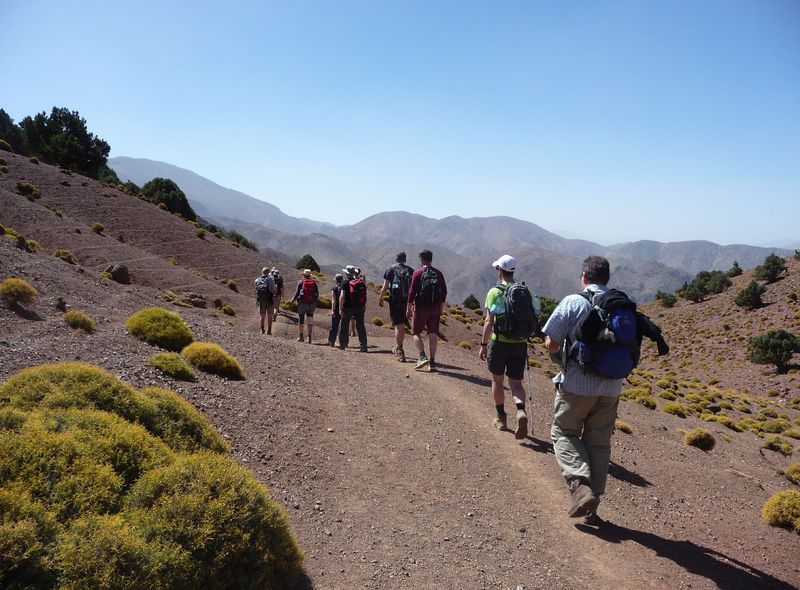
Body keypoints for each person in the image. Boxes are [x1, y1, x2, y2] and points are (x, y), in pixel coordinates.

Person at [542, 255, 622, 526]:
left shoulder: (573, 302)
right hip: (612, 387)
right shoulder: (620, 304)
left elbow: (552, 342)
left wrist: (555, 351)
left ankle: (580, 486)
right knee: (599, 443)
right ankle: (592, 508)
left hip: (577, 385)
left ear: (584, 278)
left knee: (563, 432)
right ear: (607, 279)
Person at [479, 255, 538, 440]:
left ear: (499, 270)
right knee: (516, 384)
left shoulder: (495, 292)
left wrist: (483, 344)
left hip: (500, 342)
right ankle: (520, 410)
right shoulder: (524, 291)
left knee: (497, 381)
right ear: (513, 271)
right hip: (520, 343)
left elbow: (489, 321)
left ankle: (501, 418)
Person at [407, 249, 447, 372]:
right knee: (432, 334)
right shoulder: (438, 273)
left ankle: (422, 357)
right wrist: (441, 308)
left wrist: (408, 307)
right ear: (431, 259)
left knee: (415, 332)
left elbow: (412, 292)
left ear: (422, 260)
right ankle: (432, 363)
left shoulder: (418, 273)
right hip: (435, 308)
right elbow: (444, 291)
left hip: (421, 308)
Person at [379, 252, 414, 362]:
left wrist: (381, 297)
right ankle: (399, 346)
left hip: (395, 300)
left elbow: (385, 286)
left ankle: (399, 349)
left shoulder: (390, 270)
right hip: (406, 301)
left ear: (396, 259)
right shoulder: (410, 270)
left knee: (398, 325)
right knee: (402, 325)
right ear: (405, 260)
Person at [338, 265, 368, 352]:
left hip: (347, 308)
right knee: (360, 326)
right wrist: (363, 305)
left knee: (344, 325)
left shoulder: (345, 283)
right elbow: (365, 294)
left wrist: (340, 308)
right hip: (360, 308)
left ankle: (343, 344)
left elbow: (342, 296)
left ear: (347, 274)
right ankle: (363, 345)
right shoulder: (360, 282)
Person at [292, 269, 319, 343]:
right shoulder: (314, 283)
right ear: (310, 275)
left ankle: (301, 337)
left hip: (302, 303)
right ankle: (309, 337)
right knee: (310, 319)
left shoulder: (301, 282)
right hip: (311, 304)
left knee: (301, 319)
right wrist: (314, 301)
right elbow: (317, 294)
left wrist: (293, 300)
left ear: (303, 275)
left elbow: (297, 293)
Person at [255, 267, 277, 335]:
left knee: (262, 316)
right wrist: (273, 291)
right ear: (268, 273)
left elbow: (256, 290)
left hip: (261, 300)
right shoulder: (271, 280)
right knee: (270, 316)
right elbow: (274, 290)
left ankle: (262, 330)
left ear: (262, 272)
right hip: (269, 300)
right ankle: (269, 331)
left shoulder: (257, 280)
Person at [328, 273, 344, 347]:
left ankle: (332, 341)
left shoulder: (334, 289)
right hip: (344, 309)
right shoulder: (344, 289)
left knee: (334, 326)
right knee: (344, 326)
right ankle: (343, 342)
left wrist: (333, 310)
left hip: (337, 310)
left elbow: (334, 301)